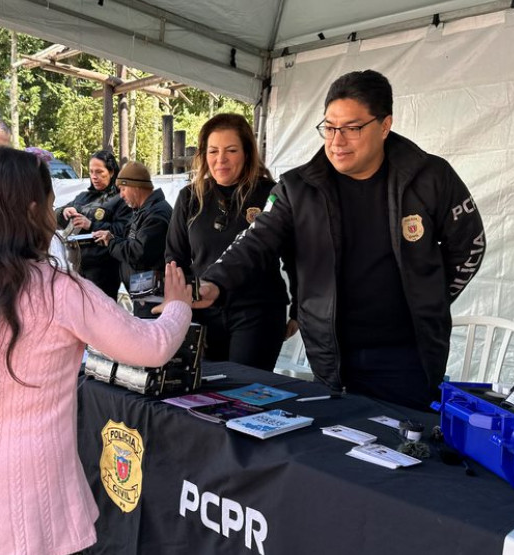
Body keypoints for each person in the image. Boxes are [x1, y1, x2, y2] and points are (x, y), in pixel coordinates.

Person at [0, 146, 192, 555]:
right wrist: (178, 306)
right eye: (50, 204)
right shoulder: (56, 290)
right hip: (26, 486)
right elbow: (151, 347)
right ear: (32, 209)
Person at [198, 70, 486, 410]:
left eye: (352, 128)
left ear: (384, 125)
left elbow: (469, 246)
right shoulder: (298, 187)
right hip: (331, 356)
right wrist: (214, 282)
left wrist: (429, 297)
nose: (337, 141)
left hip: (408, 357)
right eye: (330, 127)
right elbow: (255, 241)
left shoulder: (430, 176)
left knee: (407, 452)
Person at [166, 113, 296, 371]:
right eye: (213, 151)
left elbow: (295, 255)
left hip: (257, 312)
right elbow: (174, 259)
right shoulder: (190, 197)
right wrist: (178, 311)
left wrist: (300, 310)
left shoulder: (270, 194)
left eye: (231, 150)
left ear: (247, 153)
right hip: (202, 312)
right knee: (201, 395)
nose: (221, 159)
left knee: (245, 394)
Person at [55, 150, 131, 299]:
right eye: (91, 172)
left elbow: (123, 230)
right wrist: (64, 211)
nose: (94, 177)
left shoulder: (121, 199)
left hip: (104, 270)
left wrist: (91, 225)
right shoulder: (83, 197)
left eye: (99, 172)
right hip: (77, 266)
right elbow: (56, 217)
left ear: (111, 172)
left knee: (101, 316)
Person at [92, 161, 172, 295]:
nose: (121, 195)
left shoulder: (156, 215)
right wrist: (111, 237)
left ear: (136, 187)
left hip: (153, 296)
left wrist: (111, 242)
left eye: (123, 189)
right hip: (144, 292)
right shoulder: (144, 211)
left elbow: (139, 252)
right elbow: (131, 241)